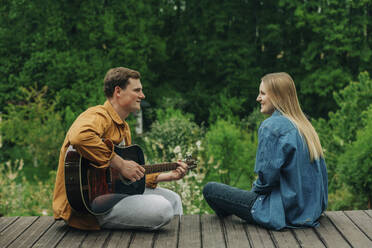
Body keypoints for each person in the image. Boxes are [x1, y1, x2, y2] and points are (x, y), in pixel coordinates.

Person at [53, 67, 188, 230]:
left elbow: (122, 180)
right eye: (137, 90)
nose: (142, 96)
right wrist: (119, 163)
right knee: (163, 208)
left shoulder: (123, 129)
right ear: (118, 91)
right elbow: (80, 137)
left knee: (174, 199)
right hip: (92, 208)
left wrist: (167, 176)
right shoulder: (98, 116)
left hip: (114, 196)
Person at [203, 72, 328, 230]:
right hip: (311, 210)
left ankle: (240, 213)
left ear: (278, 96)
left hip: (283, 212)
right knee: (237, 196)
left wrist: (252, 196)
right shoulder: (305, 125)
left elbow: (265, 180)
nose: (258, 98)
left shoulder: (272, 126)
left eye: (262, 93)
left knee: (211, 190)